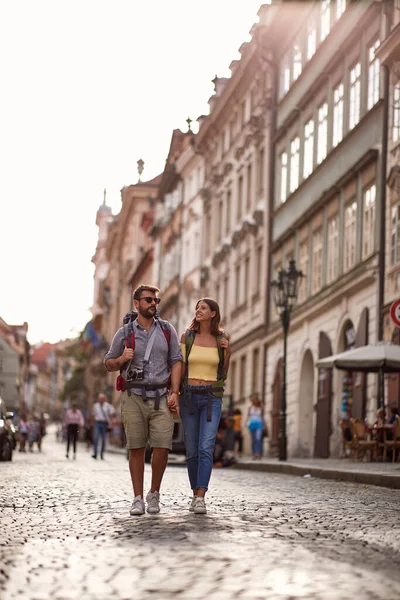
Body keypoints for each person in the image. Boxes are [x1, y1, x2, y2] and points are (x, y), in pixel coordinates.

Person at [104, 284, 182, 516]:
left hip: (161, 395)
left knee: (162, 447)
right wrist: (121, 359)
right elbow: (108, 363)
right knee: (136, 447)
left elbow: (176, 360)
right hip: (133, 396)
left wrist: (175, 391)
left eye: (156, 301)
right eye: (148, 300)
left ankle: (154, 493)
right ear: (136, 303)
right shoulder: (125, 333)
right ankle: (137, 498)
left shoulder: (168, 330)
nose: (153, 304)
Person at [179, 297, 231, 514]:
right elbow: (180, 367)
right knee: (192, 450)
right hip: (189, 397)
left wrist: (227, 352)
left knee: (206, 447)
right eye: (197, 307)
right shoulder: (187, 337)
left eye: (203, 308)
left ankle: (201, 497)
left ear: (213, 313)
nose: (198, 310)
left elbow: (224, 372)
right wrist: (174, 393)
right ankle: (194, 494)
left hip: (212, 398)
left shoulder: (222, 338)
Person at [91, 393, 114, 460]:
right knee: (96, 438)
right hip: (97, 423)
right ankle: (95, 453)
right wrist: (92, 423)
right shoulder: (95, 406)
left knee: (104, 439)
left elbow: (112, 412)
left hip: (104, 423)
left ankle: (101, 454)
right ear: (98, 399)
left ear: (104, 399)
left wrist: (111, 422)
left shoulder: (108, 406)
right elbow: (93, 415)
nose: (101, 400)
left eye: (102, 398)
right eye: (100, 398)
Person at [247, 394, 264, 459]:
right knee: (253, 440)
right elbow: (248, 416)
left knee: (258, 439)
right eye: (252, 400)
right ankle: (254, 453)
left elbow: (262, 417)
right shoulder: (250, 407)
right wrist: (247, 423)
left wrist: (264, 425)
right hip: (252, 424)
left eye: (255, 400)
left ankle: (258, 453)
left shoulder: (261, 407)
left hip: (259, 424)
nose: (254, 401)